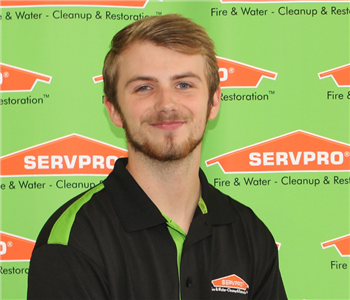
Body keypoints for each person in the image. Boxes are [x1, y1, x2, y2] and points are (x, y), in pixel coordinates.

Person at [28, 14, 287, 299]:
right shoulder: (74, 238)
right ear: (113, 109)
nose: (166, 104)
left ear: (213, 102)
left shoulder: (248, 233)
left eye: (184, 85)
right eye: (144, 87)